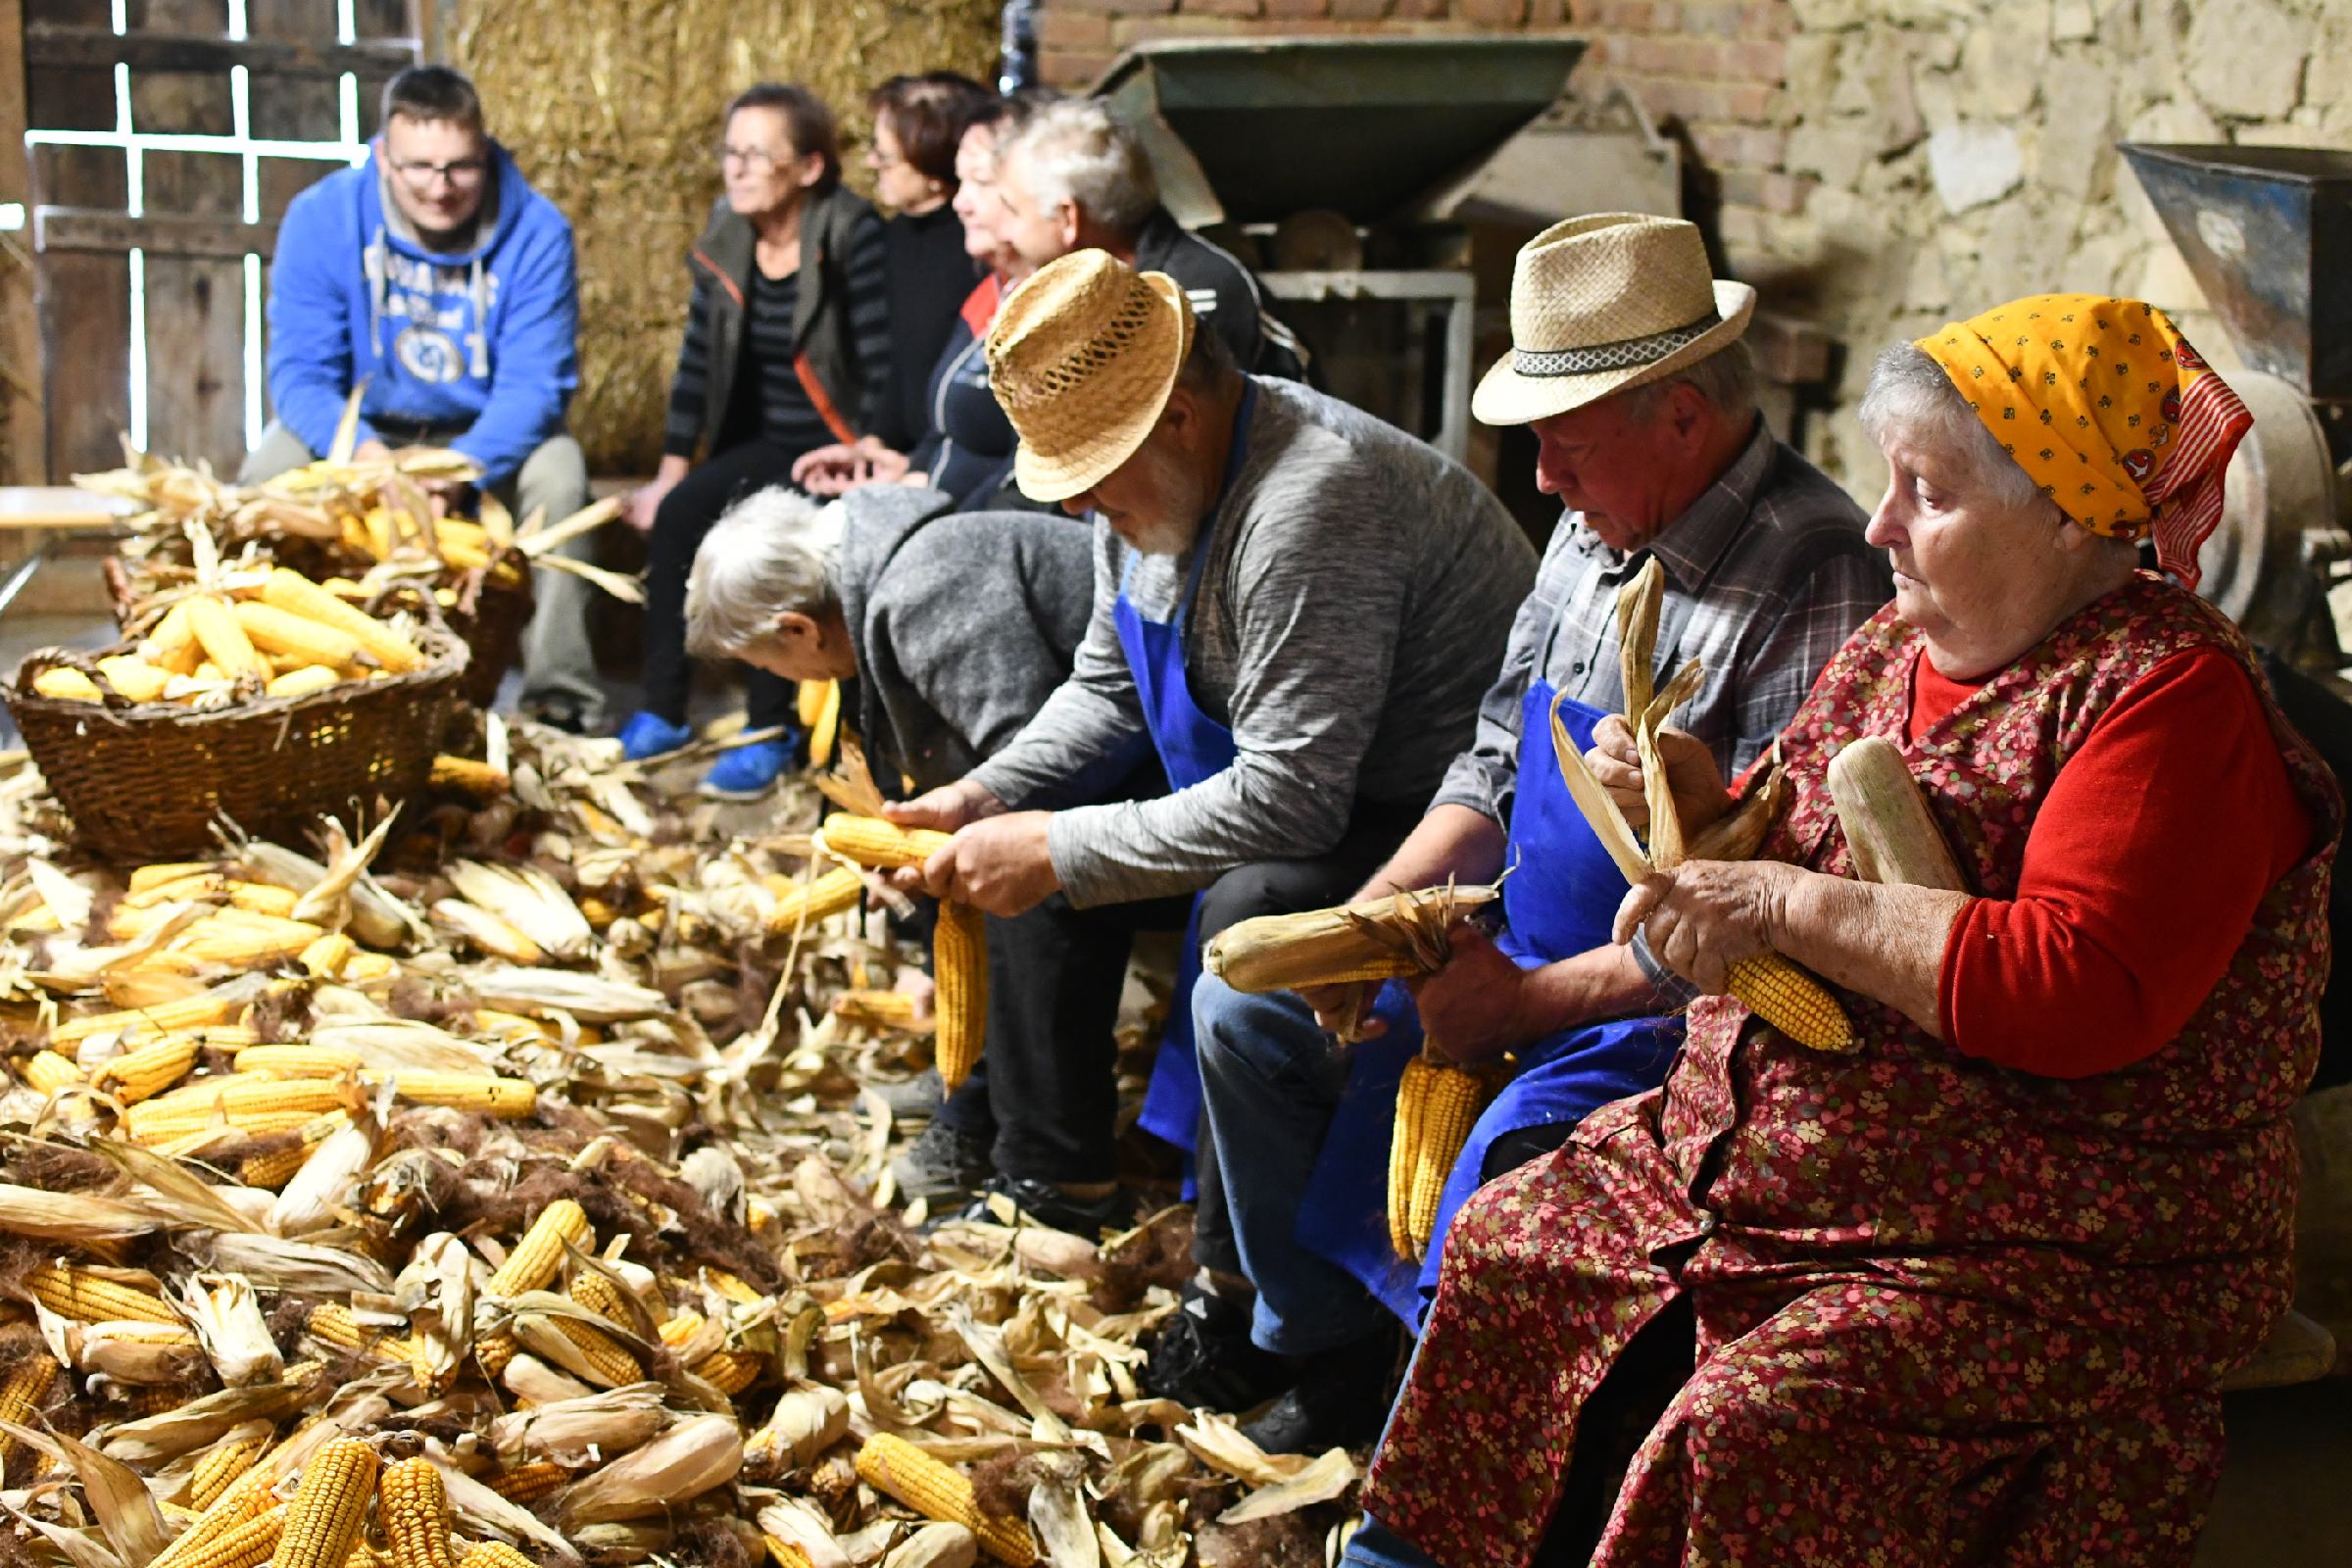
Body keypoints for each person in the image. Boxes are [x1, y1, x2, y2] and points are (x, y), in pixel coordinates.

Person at [1348, 296, 2334, 1568]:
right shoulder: (1892, 644)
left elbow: (2079, 989)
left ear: (2072, 515)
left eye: (1925, 493)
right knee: (1517, 1245)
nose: (1879, 528)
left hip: (2044, 1223)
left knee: (1766, 1426)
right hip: (1797, 1156)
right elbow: (1786, 844)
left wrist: (1785, 903)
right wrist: (1708, 818)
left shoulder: (2169, 700)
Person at [1162, 214, 1888, 1454]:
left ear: (1680, 415)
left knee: (1507, 1159)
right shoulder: (1594, 520)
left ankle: (1443, 1442)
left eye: (1566, 441)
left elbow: (1770, 914)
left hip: (1662, 1003)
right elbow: (1499, 756)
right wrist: (1378, 916)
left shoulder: (1815, 571)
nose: (1541, 476)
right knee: (1251, 1013)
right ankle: (1332, 1348)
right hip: (1507, 939)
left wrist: (1528, 1004)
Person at [886, 249, 1537, 1237]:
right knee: (1025, 838)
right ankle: (1054, 1180)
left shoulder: (1311, 502)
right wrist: (984, 795)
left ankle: (1238, 1281)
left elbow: (1295, 799)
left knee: (1235, 900)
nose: (1074, 507)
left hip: (1418, 812)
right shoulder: (1151, 485)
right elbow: (1106, 689)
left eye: (1091, 478)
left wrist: (1059, 849)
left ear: (1177, 419)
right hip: (1283, 766)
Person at [242, 65, 602, 732]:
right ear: (383, 156)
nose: (442, 188)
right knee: (266, 475)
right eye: (419, 168)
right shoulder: (322, 219)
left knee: (562, 473)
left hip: (483, 432)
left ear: (486, 152)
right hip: (364, 428)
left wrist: (458, 474)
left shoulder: (537, 232)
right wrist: (370, 462)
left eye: (461, 167)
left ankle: (561, 701)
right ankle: (269, 689)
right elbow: (299, 376)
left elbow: (536, 388)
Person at [616, 83, 891, 799]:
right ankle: (661, 710)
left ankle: (771, 732)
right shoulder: (728, 233)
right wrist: (670, 473)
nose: (735, 169)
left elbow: (880, 360)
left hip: (833, 447)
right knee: (679, 519)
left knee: (776, 562)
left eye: (755, 155)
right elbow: (696, 367)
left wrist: (874, 456)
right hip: (765, 442)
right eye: (730, 153)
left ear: (808, 168)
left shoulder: (848, 231)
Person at [793, 97, 1035, 512]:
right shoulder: (990, 289)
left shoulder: (1042, 303)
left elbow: (1022, 473)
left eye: (980, 182)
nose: (963, 201)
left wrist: (914, 488)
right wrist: (890, 461)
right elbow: (941, 421)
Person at [992, 98, 1305, 380]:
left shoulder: (1190, 298)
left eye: (1013, 210)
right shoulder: (1105, 283)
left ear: (1068, 219)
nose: (1002, 231)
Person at [864, 73, 990, 455]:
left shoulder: (976, 250)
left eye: (885, 157)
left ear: (933, 168)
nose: (871, 163)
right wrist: (875, 442)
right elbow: (901, 360)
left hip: (949, 455)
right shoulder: (898, 234)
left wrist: (917, 468)